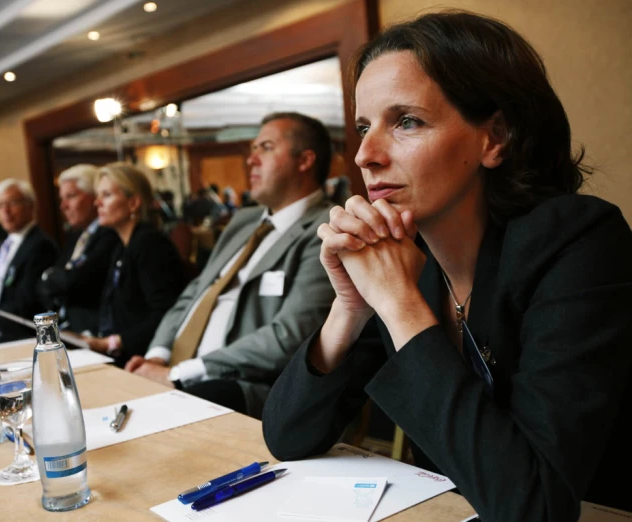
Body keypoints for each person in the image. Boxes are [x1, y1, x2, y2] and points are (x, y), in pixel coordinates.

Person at [262, 11, 632, 520]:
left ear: (495, 137)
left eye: (406, 121)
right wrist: (349, 311)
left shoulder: (578, 239)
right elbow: (287, 436)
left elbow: (537, 506)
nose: (365, 155)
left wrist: (400, 305)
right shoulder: (409, 258)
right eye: (364, 127)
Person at [125, 112, 336, 418]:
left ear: (304, 160)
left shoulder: (326, 229)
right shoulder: (244, 221)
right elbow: (195, 292)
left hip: (246, 386)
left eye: (264, 148)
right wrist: (158, 356)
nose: (250, 160)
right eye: (252, 150)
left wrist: (183, 373)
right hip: (183, 373)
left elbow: (290, 335)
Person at [85, 163, 185, 367]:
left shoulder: (150, 244)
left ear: (133, 203)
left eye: (106, 195)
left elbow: (166, 313)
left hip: (144, 359)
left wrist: (113, 342)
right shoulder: (122, 246)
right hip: (120, 354)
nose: (97, 203)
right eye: (98, 195)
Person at [37, 164, 119, 334]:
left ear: (94, 197)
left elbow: (75, 282)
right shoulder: (77, 236)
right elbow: (45, 284)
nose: (63, 206)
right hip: (66, 327)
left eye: (71, 196)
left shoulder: (110, 234)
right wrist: (54, 279)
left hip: (93, 332)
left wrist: (54, 278)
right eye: (62, 198)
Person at [0, 179, 58, 341]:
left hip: (15, 329)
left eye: (13, 203)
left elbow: (25, 303)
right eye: (0, 205)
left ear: (31, 205)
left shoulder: (40, 245)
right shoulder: (6, 243)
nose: (6, 211)